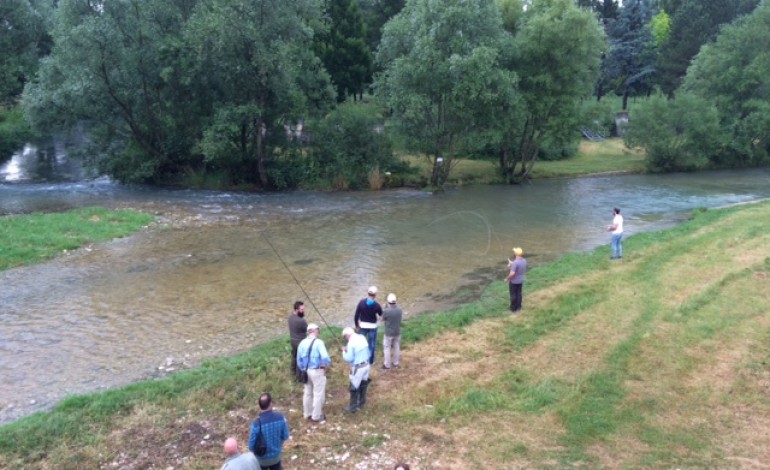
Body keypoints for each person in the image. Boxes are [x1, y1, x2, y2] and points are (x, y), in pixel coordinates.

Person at [296, 323, 331, 423]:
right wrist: (326, 365)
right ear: (314, 331)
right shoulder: (319, 342)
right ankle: (316, 416)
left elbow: (298, 360)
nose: (319, 332)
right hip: (317, 370)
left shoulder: (302, 343)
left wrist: (303, 368)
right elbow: (325, 357)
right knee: (318, 393)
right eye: (318, 330)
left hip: (306, 371)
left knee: (307, 393)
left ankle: (307, 414)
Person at [248, 393, 290, 470]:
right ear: (271, 404)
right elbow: (285, 436)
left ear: (259, 406)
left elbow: (251, 447)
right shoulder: (280, 418)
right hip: (276, 458)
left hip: (261, 461)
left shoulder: (256, 424)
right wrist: (278, 446)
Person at [341, 326, 370, 413]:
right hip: (366, 364)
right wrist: (348, 349)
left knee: (353, 386)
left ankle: (352, 407)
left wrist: (343, 351)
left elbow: (349, 358)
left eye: (345, 337)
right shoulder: (362, 337)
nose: (345, 339)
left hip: (358, 367)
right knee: (363, 383)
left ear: (347, 335)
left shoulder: (351, 343)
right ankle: (362, 402)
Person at [354, 286, 383, 365]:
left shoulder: (361, 302)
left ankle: (359, 359)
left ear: (368, 293)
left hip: (362, 326)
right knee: (371, 344)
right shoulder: (377, 305)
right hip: (373, 327)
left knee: (360, 344)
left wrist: (356, 325)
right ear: (375, 295)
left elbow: (356, 315)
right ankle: (371, 361)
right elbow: (381, 314)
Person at [381, 293, 403, 370]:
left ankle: (387, 365)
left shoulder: (386, 311)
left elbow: (381, 320)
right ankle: (396, 363)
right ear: (395, 301)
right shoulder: (400, 310)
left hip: (388, 333)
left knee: (387, 348)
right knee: (396, 347)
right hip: (397, 332)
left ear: (388, 301)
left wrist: (385, 308)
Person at [287, 300, 307, 379]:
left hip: (293, 341)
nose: (303, 311)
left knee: (294, 357)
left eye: (303, 309)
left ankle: (292, 372)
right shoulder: (301, 321)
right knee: (300, 359)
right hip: (300, 343)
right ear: (296, 310)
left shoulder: (290, 318)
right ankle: (299, 377)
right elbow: (308, 330)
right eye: (301, 310)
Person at [504, 247, 527, 313]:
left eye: (514, 252)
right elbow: (518, 266)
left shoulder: (515, 263)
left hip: (514, 282)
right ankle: (519, 308)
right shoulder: (524, 260)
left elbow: (512, 274)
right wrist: (512, 264)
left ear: (516, 254)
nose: (514, 253)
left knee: (513, 295)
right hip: (520, 281)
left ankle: (513, 309)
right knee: (519, 294)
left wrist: (507, 279)